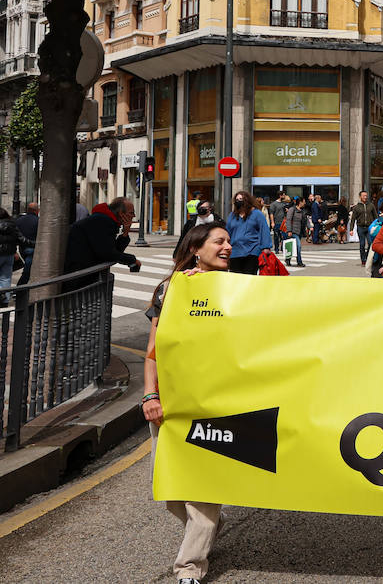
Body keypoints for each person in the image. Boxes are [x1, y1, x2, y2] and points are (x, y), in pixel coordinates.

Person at [142, 222, 232, 584]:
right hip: (170, 402)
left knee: (202, 491)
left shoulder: (239, 287)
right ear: (197, 248)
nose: (227, 246)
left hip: (214, 403)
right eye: (219, 241)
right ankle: (209, 525)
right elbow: (153, 352)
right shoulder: (171, 290)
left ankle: (189, 568)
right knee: (172, 492)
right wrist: (150, 395)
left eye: (229, 242)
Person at [65, 197, 141, 275]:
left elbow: (115, 250)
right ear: (121, 213)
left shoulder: (107, 220)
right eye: (131, 213)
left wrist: (125, 233)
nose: (134, 216)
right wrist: (132, 260)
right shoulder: (103, 221)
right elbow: (108, 253)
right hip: (79, 272)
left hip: (83, 270)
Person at [224, 191, 272, 275]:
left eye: (241, 199)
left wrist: (266, 247)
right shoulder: (232, 215)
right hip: (235, 252)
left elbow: (264, 230)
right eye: (237, 199)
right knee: (236, 278)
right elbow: (227, 232)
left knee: (249, 277)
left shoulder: (257, 214)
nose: (239, 201)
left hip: (252, 251)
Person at [348, 191, 377, 265]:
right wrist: (351, 229)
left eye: (366, 196)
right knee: (362, 244)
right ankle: (363, 259)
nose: (365, 197)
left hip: (369, 227)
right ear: (360, 197)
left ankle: (367, 257)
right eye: (364, 196)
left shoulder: (371, 205)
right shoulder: (357, 207)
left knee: (370, 243)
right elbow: (353, 219)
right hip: (360, 227)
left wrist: (376, 225)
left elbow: (375, 216)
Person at [281, 197, 308, 267]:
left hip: (299, 231)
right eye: (304, 201)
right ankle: (299, 262)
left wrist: (310, 227)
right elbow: (288, 220)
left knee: (292, 246)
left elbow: (305, 220)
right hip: (293, 231)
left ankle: (288, 259)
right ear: (300, 202)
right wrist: (289, 230)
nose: (305, 203)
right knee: (298, 246)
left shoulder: (302, 211)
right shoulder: (292, 209)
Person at [0, 206, 21, 293]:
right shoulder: (12, 225)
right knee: (6, 278)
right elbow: (19, 239)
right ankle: (5, 299)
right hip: (9, 254)